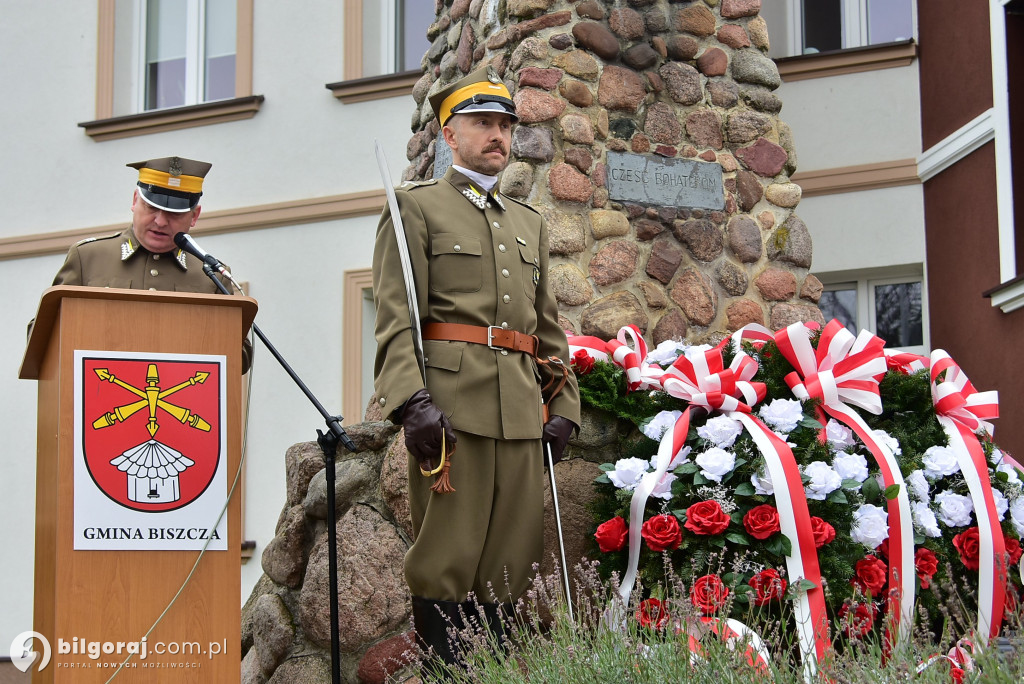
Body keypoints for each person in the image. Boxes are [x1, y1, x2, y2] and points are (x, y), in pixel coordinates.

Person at [371, 66, 581, 670]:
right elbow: (395, 318)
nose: (497, 135)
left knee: (510, 566)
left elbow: (546, 329)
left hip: (519, 413)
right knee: (447, 558)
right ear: (449, 132)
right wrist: (411, 402)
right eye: (482, 123)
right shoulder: (415, 209)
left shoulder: (528, 223)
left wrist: (562, 406)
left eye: (505, 126)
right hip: (451, 411)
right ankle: (447, 675)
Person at [44, 156, 252, 371]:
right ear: (135, 201)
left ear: (194, 216)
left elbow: (240, 360)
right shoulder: (87, 257)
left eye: (174, 212)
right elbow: (43, 337)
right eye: (152, 207)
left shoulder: (211, 275)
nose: (161, 221)